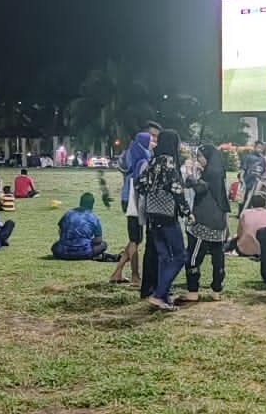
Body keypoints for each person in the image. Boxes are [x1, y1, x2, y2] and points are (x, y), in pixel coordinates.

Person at [136, 129, 191, 310]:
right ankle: (159, 295)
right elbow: (176, 189)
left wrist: (154, 192)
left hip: (153, 214)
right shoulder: (169, 162)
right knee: (180, 255)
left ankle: (164, 296)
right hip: (167, 215)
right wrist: (187, 212)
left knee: (164, 257)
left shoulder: (153, 161)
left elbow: (139, 184)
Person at [179, 144, 230, 303]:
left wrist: (188, 175)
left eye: (200, 156)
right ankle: (216, 290)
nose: (199, 159)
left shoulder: (211, 173)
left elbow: (200, 188)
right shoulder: (219, 171)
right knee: (218, 258)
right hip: (219, 221)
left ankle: (193, 292)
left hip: (205, 220)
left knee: (194, 256)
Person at [111, 131, 153, 287]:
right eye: (150, 140)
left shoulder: (130, 153)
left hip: (127, 198)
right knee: (136, 239)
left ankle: (118, 272)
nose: (152, 143)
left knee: (135, 238)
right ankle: (135, 276)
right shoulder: (142, 157)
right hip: (134, 200)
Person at [52, 193, 108, 260]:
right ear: (92, 205)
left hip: (62, 252)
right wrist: (88, 241)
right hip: (83, 252)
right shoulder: (94, 218)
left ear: (80, 202)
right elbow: (98, 240)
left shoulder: (68, 213)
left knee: (55, 245)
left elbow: (60, 231)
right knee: (103, 244)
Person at [230, 192, 266, 257]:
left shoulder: (245, 213)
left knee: (233, 239)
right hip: (264, 250)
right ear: (265, 204)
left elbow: (239, 234)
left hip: (243, 250)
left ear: (252, 204)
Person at [241, 140, 266, 210]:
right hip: (249, 183)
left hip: (258, 184)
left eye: (262, 148)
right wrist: (242, 180)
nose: (260, 149)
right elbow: (243, 169)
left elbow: (264, 172)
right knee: (247, 200)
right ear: (255, 147)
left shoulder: (263, 159)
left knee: (256, 201)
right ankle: (244, 214)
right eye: (259, 147)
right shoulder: (248, 157)